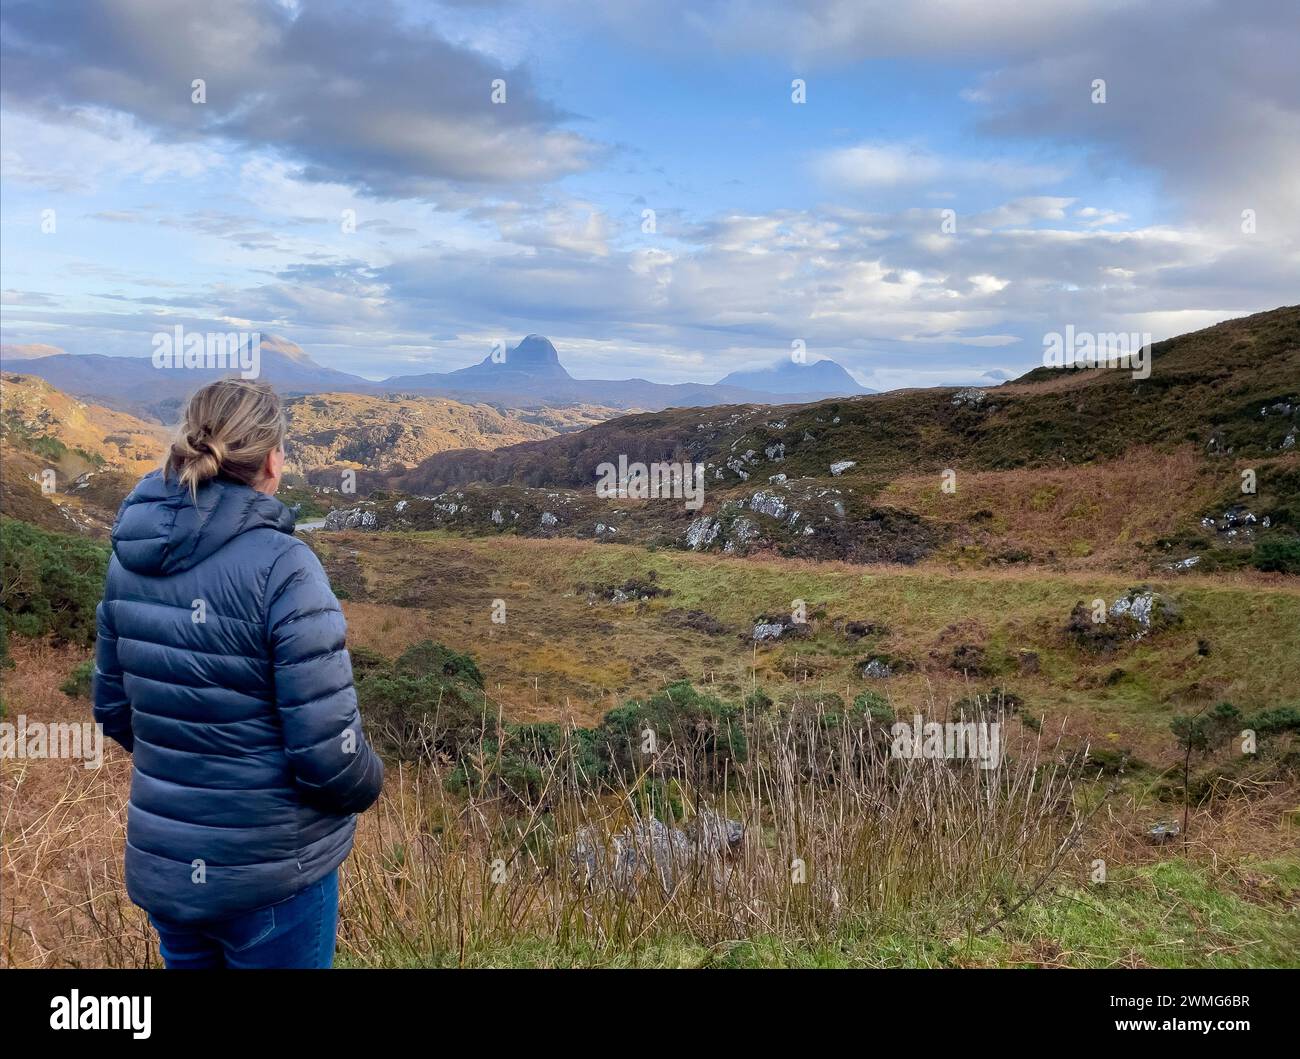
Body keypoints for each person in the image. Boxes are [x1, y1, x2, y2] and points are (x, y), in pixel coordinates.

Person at [92, 378, 384, 969]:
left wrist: (189, 764)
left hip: (168, 870)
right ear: (273, 459)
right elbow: (330, 756)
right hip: (273, 876)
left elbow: (114, 711)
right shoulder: (286, 566)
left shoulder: (130, 560)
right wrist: (371, 783)